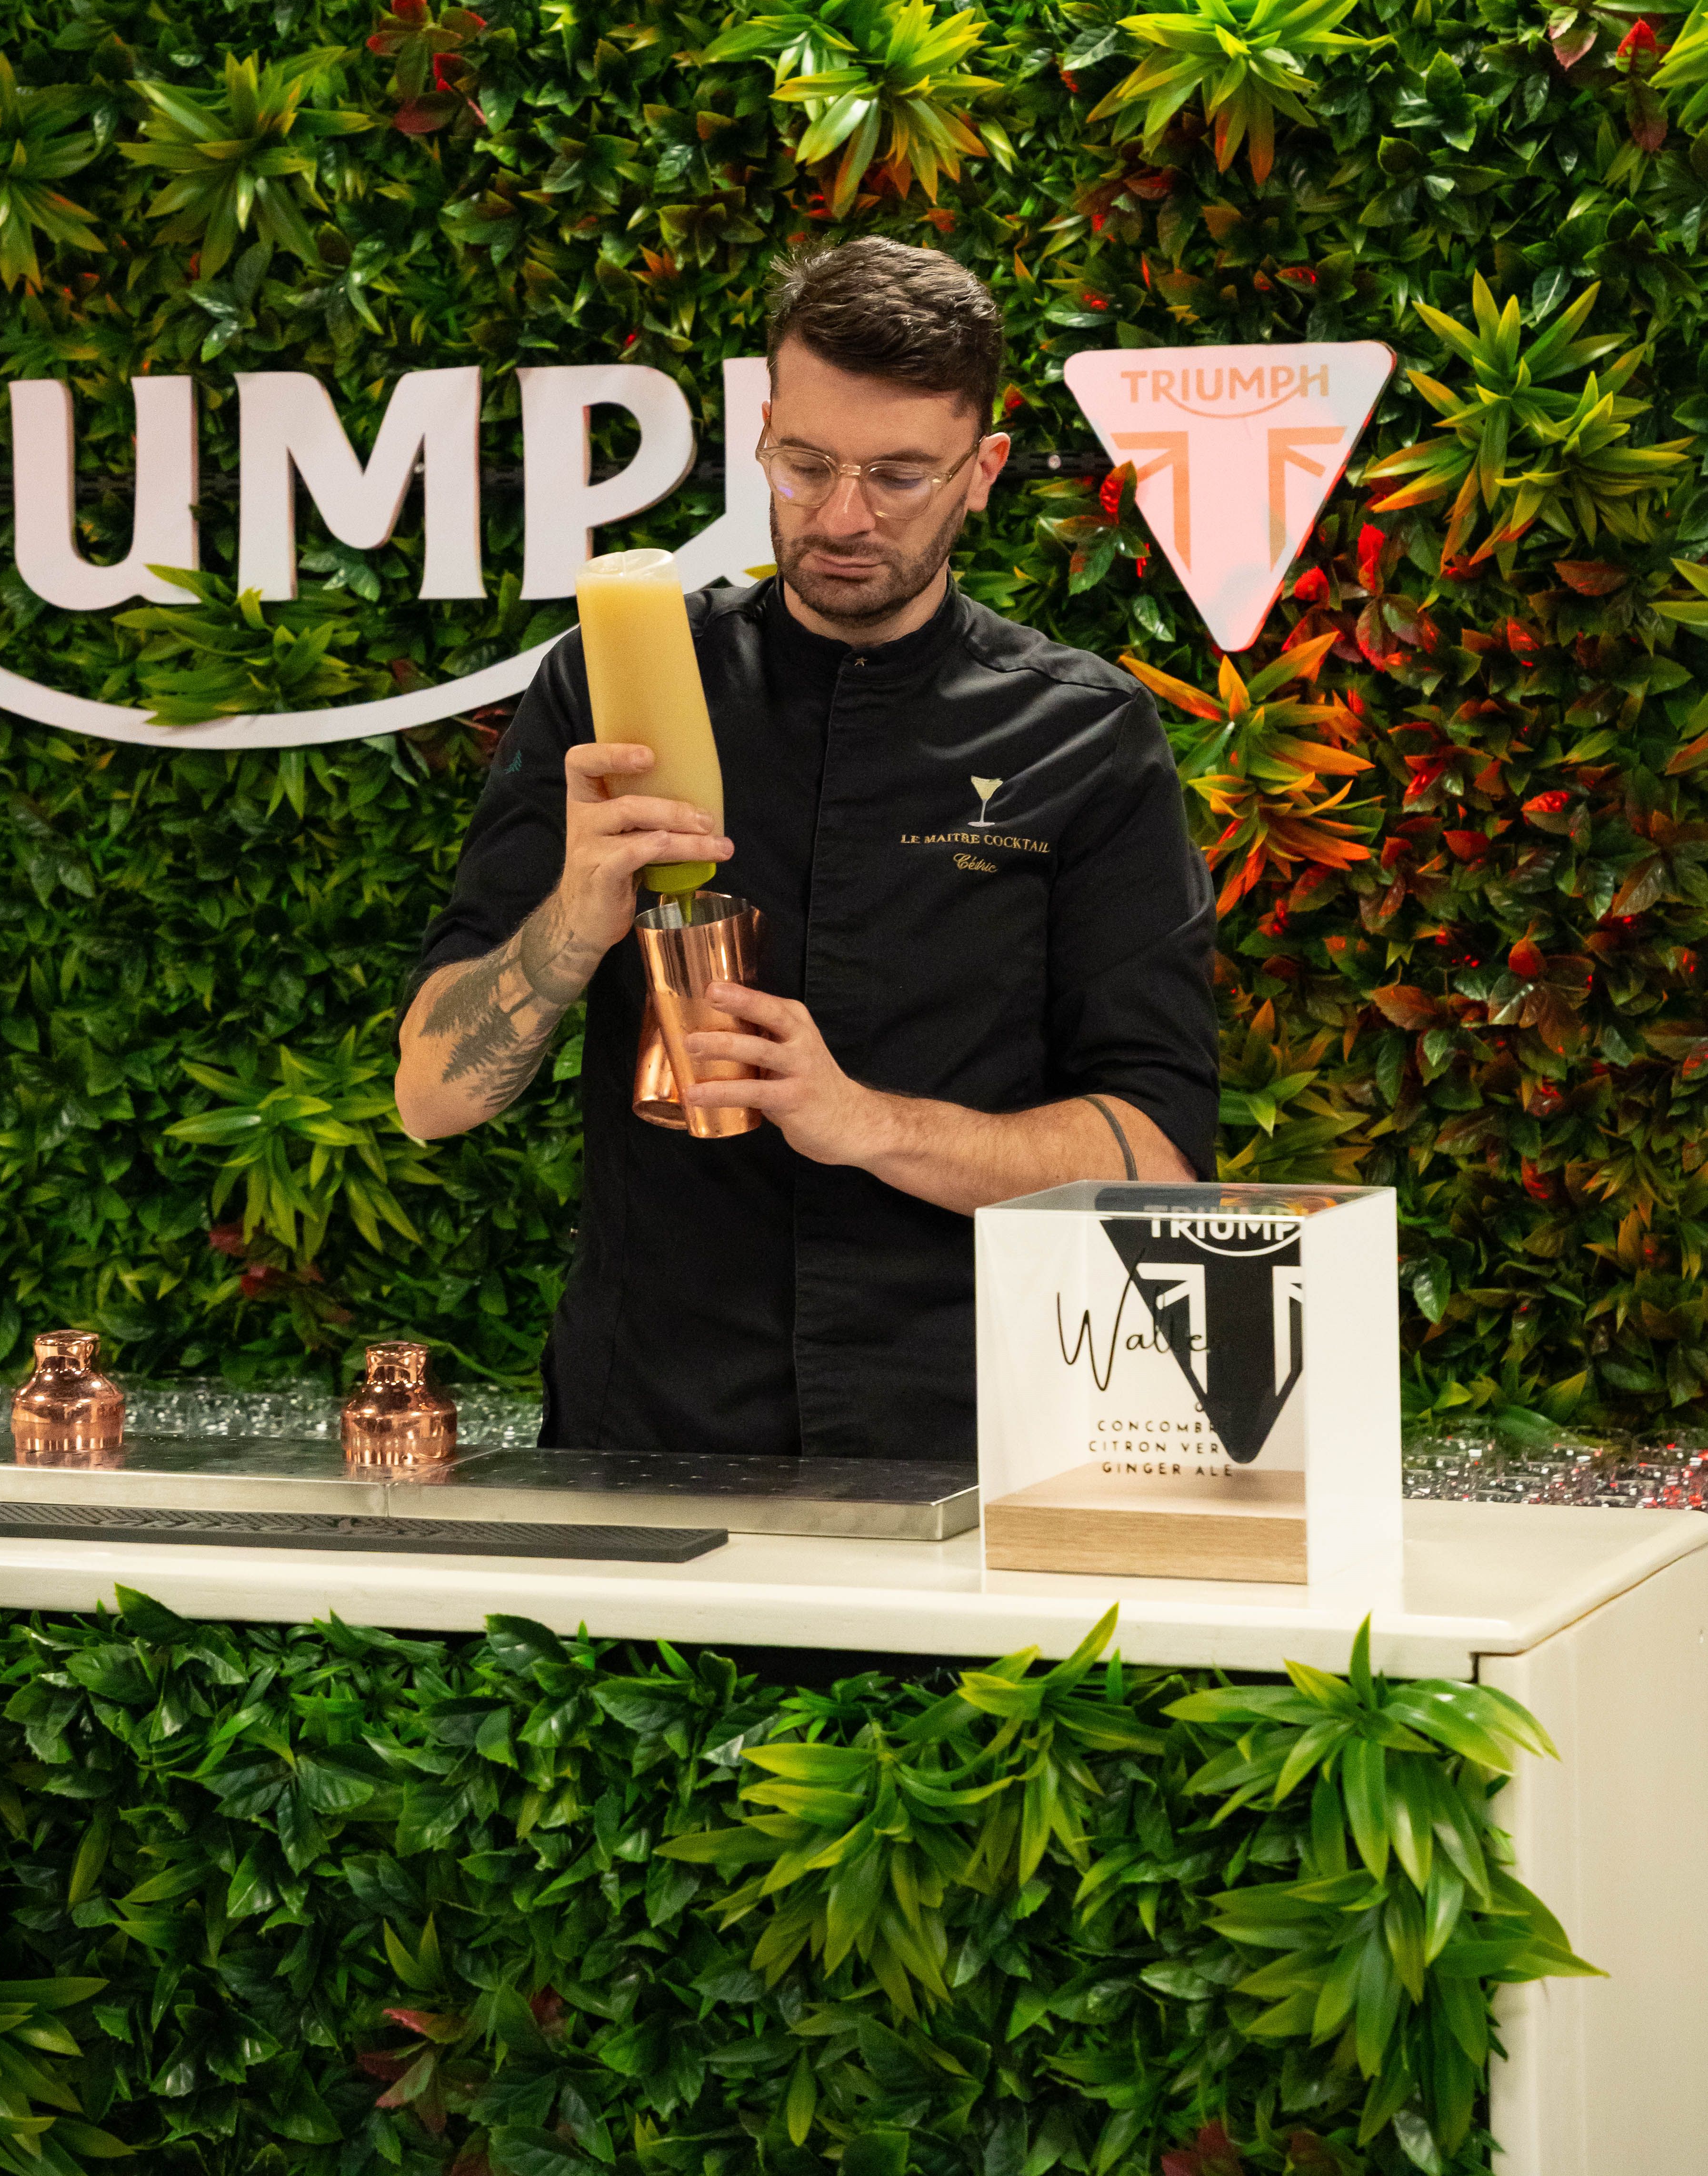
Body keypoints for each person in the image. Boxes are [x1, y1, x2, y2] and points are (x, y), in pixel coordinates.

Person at [394, 238, 1218, 1463]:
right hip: (651, 1426)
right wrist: (570, 923)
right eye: (807, 463)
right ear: (762, 436)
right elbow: (429, 1097)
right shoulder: (615, 685)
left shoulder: (1084, 732)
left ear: (982, 472)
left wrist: (864, 1122)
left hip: (967, 1438)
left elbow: (1153, 1159)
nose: (841, 516)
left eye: (899, 474)